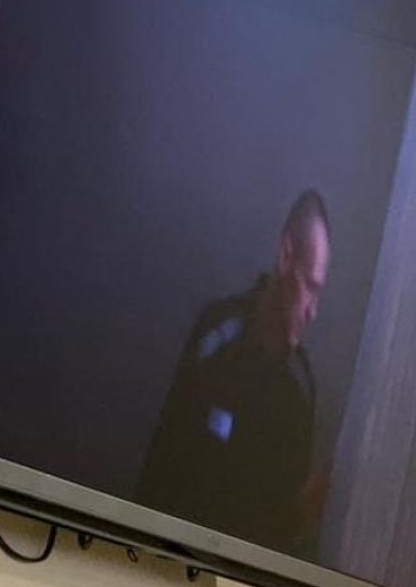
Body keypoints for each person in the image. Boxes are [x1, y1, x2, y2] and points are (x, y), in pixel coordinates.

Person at [135, 190, 331, 559]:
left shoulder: (298, 398)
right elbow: (170, 464)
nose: (313, 312)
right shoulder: (218, 333)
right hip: (153, 559)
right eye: (310, 286)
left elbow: (275, 539)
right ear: (285, 255)